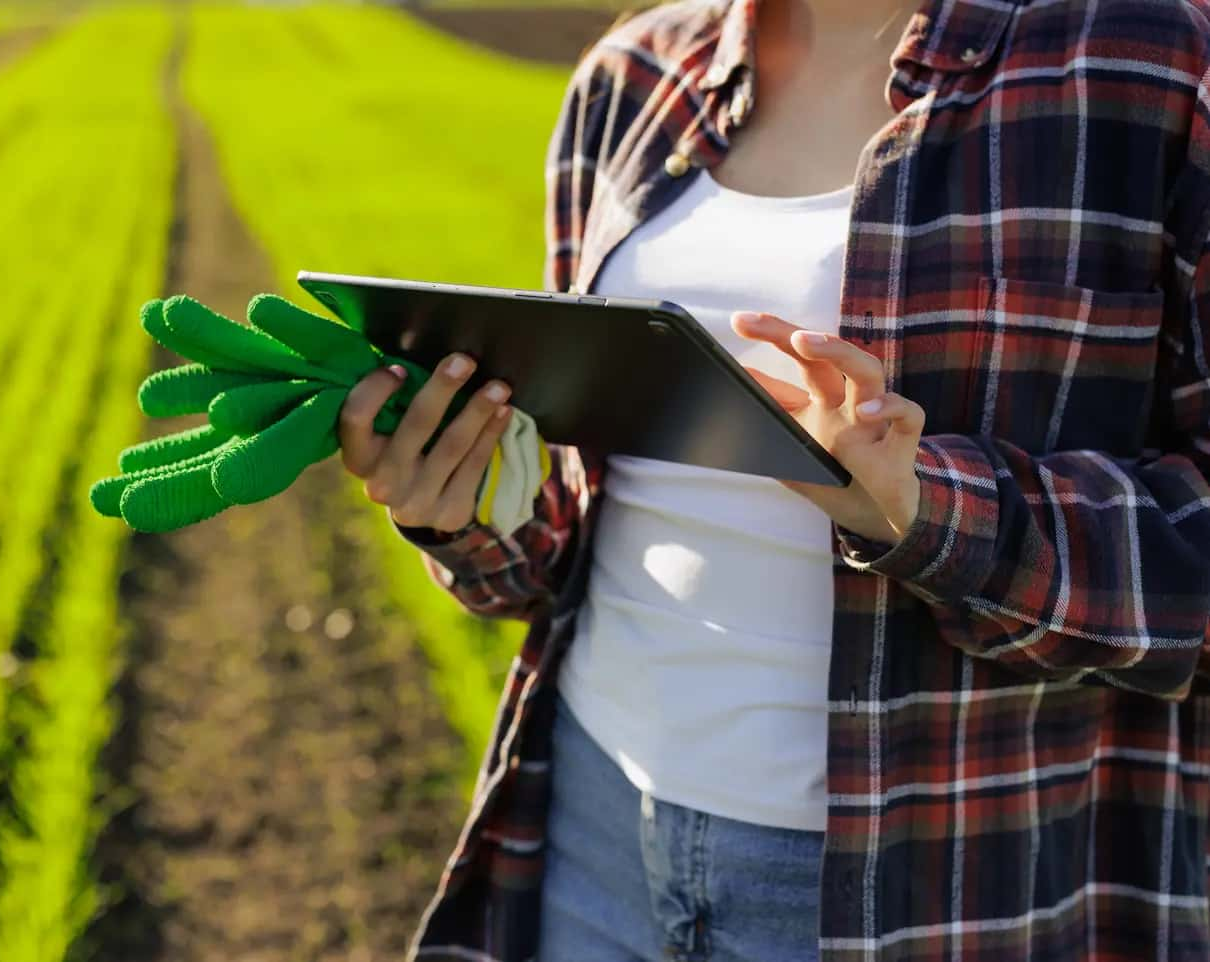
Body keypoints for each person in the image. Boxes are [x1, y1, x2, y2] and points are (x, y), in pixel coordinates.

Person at [335, 0, 1210, 958]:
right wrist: (462, 508)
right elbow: (565, 540)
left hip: (929, 889)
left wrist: (933, 514)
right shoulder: (634, 73)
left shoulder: (1152, 61)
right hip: (591, 833)